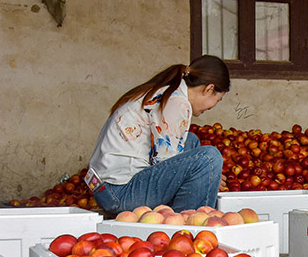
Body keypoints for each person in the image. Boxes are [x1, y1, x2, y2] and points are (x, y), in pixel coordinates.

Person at [85, 55, 230, 214]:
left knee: (191, 142)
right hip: (119, 192)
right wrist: (209, 176)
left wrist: (204, 178)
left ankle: (175, 216)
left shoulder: (167, 91)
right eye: (218, 99)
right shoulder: (178, 102)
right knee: (208, 158)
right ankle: (185, 224)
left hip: (107, 189)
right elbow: (164, 162)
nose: (214, 106)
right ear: (209, 89)